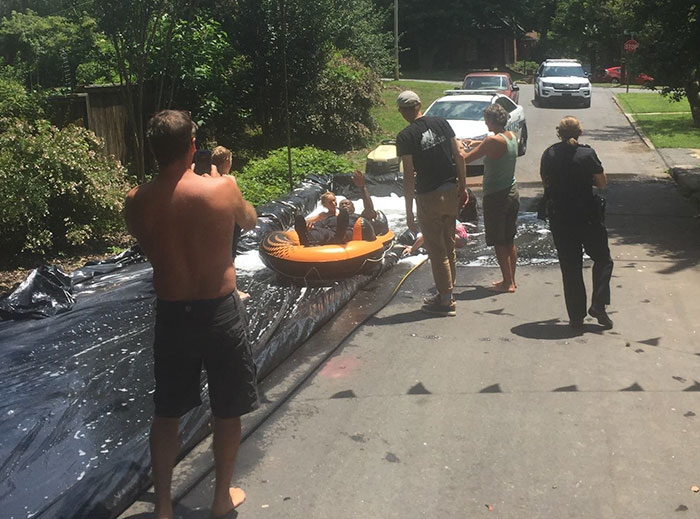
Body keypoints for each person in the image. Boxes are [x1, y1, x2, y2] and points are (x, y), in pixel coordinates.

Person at [124, 110, 259, 519]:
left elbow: (149, 244)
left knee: (166, 412)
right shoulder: (221, 189)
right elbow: (249, 220)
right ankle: (220, 500)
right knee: (227, 407)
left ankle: (163, 507)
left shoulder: (136, 200)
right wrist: (226, 180)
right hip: (218, 310)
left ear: (152, 150)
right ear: (192, 146)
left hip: (173, 314)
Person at [396, 90, 468, 316]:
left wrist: (409, 211)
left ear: (402, 111)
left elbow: (409, 175)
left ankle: (445, 301)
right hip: (450, 190)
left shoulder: (405, 136)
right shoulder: (441, 123)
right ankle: (446, 293)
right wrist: (463, 187)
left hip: (429, 196)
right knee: (448, 244)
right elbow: (459, 155)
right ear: (420, 105)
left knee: (437, 251)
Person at [540, 116, 614, 329]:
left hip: (560, 217)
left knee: (570, 267)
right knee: (602, 259)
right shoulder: (587, 153)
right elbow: (601, 183)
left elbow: (545, 181)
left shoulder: (550, 153)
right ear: (580, 132)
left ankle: (576, 316)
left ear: (558, 133)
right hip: (588, 217)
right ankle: (599, 304)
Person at [462, 103, 519, 293]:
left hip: (496, 196)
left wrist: (457, 147)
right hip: (511, 192)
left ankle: (507, 283)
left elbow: (465, 159)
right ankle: (511, 279)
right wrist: (474, 142)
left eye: (486, 119)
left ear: (492, 121)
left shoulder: (492, 142)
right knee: (509, 238)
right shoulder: (511, 137)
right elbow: (492, 143)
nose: (485, 122)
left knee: (498, 240)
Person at [294, 171, 382, 246]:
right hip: (330, 233)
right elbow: (318, 225)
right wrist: (309, 228)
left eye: (347, 203)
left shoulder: (358, 217)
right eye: (342, 204)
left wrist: (362, 188)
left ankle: (340, 236)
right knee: (320, 232)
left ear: (354, 208)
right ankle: (305, 237)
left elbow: (369, 209)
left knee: (344, 231)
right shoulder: (329, 218)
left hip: (344, 232)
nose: (344, 205)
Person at [211, 146, 250, 302]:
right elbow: (237, 202)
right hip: (230, 222)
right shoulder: (228, 180)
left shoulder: (206, 179)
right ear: (227, 160)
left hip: (213, 223)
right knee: (230, 257)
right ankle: (233, 290)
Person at [403, 219, 470, 256]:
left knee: (427, 239)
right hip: (463, 238)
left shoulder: (436, 219)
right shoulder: (446, 214)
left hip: (458, 240)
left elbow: (425, 236)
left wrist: (412, 249)